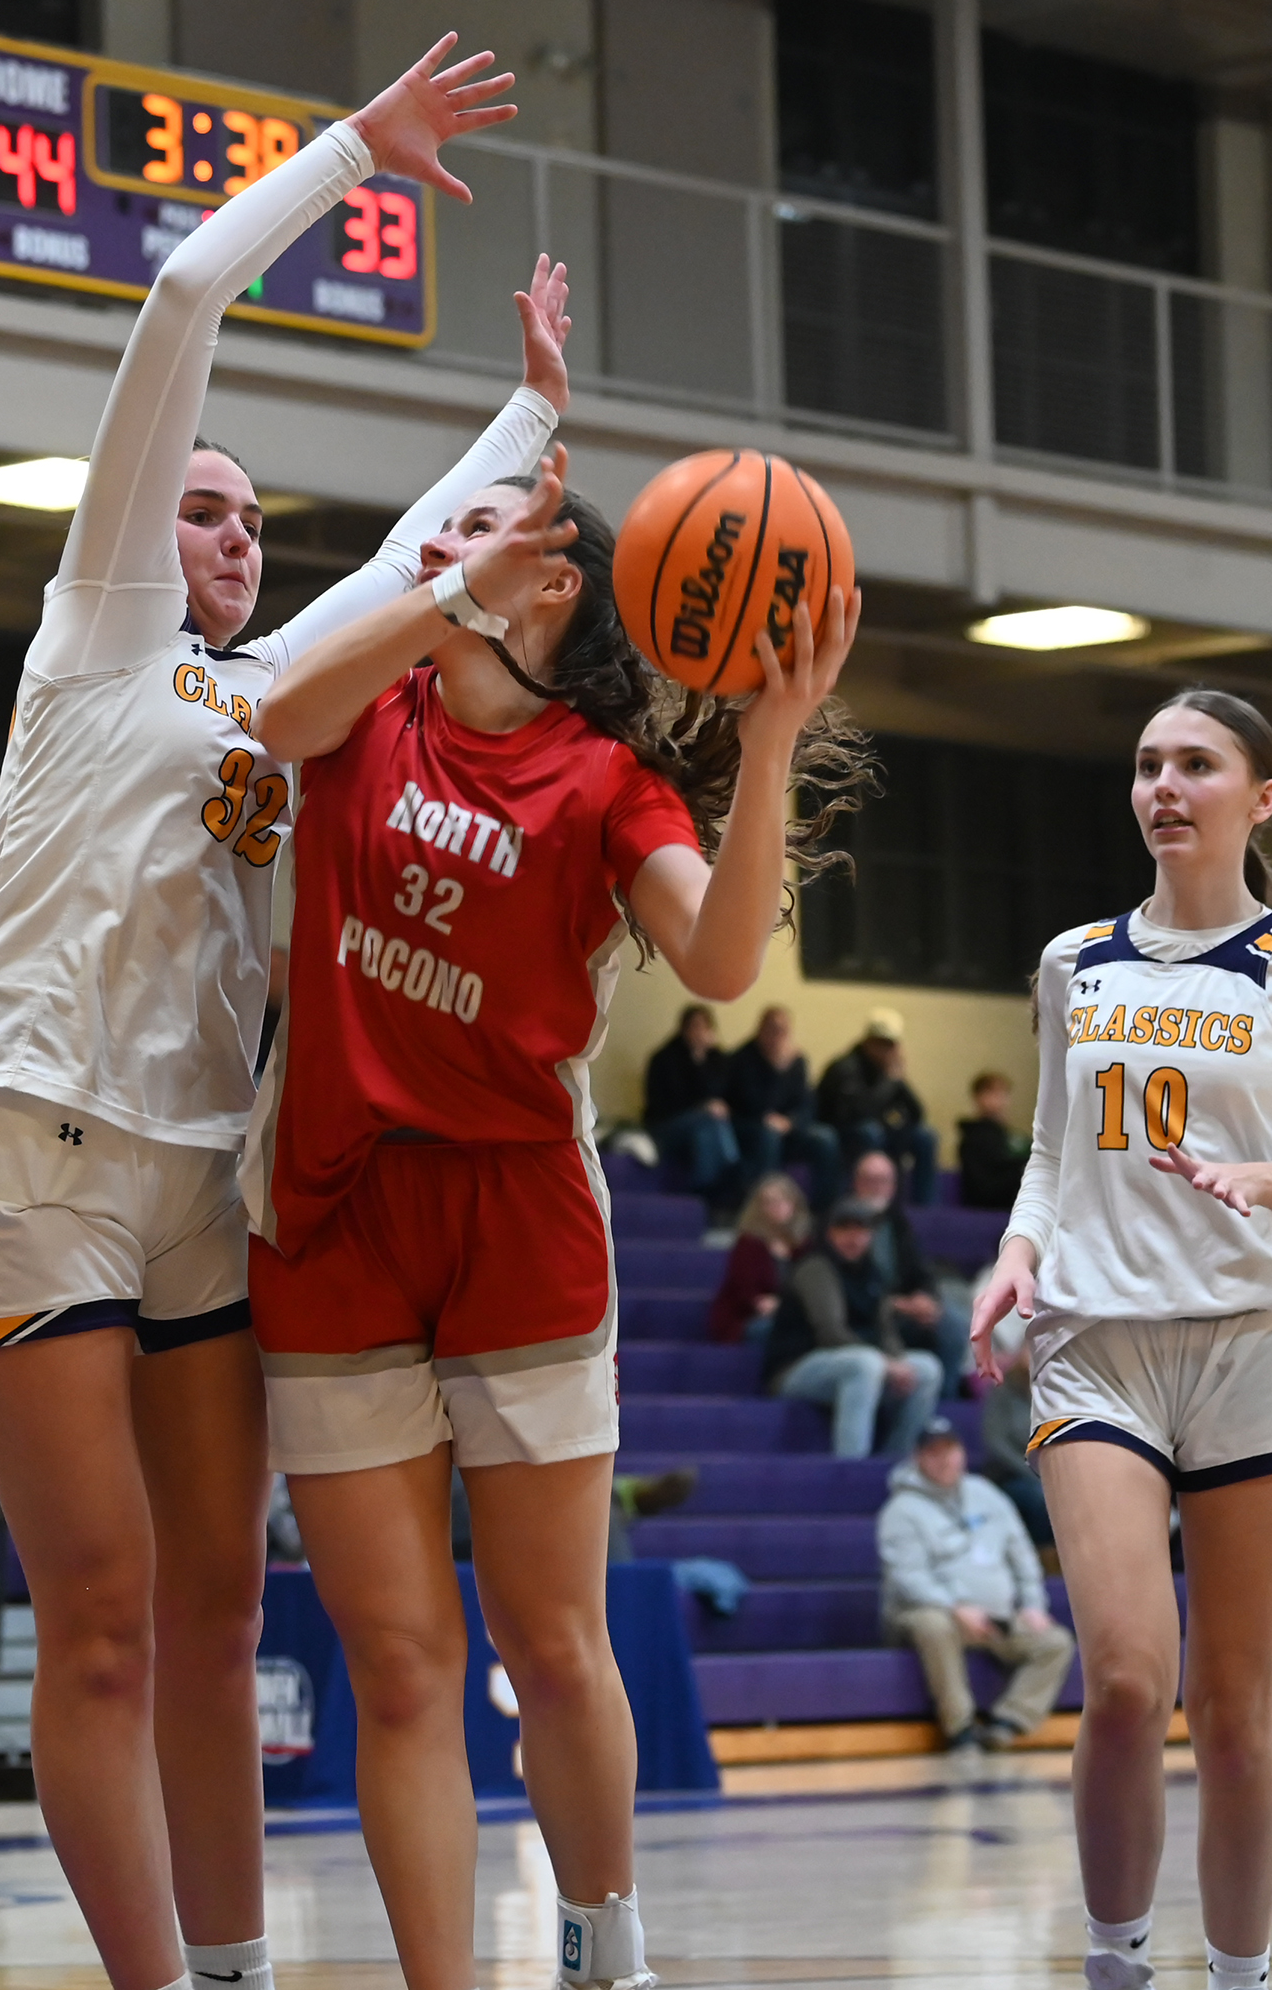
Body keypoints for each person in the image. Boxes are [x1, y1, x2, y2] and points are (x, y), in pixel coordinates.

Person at [0, 40, 542, 1990]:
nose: (228, 531)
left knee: (217, 1603)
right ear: (127, 531)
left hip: (199, 1184)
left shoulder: (264, 694)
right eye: (198, 506)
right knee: (94, 1613)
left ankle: (242, 1962)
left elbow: (419, 570)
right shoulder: (94, 638)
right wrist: (361, 147)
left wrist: (528, 409)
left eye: (250, 517)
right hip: (23, 1151)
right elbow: (180, 294)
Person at [244, 344, 867, 1988]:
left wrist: (776, 730)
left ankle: (606, 1942)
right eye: (479, 526)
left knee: (553, 1639)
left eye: (524, 533)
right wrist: (448, 591)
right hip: (333, 1216)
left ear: (570, 589)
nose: (488, 540)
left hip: (518, 1222)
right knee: (395, 1656)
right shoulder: (367, 704)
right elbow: (275, 707)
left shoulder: (608, 784)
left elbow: (728, 961)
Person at [970, 688, 1272, 1990]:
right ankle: (1115, 1962)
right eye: (1149, 764)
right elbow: (1055, 1151)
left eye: (1197, 764)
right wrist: (1015, 1249)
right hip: (1096, 1341)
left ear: (1259, 797)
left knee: (1233, 1710)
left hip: (1249, 1351)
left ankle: (1240, 1971)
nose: (1166, 784)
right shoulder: (1074, 958)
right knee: (1122, 1677)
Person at [878, 1417, 1074, 1752]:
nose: (944, 1459)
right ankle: (960, 1728)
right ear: (918, 1458)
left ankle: (1008, 1722)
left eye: (950, 1450)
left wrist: (1031, 1606)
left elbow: (1022, 1555)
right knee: (934, 1624)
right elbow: (908, 1577)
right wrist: (955, 1606)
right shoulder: (901, 1510)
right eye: (933, 1452)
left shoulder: (987, 1495)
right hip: (928, 1613)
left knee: (1055, 1642)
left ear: (962, 1453)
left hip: (994, 1617)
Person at [767, 1199, 941, 1460]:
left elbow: (884, 1329)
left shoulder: (872, 1273)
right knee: (866, 1364)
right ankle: (850, 1467)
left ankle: (897, 1461)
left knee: (926, 1369)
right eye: (844, 1229)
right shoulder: (815, 1268)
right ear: (830, 1233)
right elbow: (830, 1332)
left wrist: (897, 1361)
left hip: (853, 1362)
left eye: (860, 1230)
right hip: (796, 1367)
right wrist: (886, 1364)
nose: (853, 1237)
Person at [849, 1147, 969, 1396]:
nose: (876, 1188)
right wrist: (898, 1304)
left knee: (953, 1324)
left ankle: (943, 1407)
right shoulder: (842, 1225)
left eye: (883, 1181)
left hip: (902, 1311)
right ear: (857, 1183)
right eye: (870, 1181)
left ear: (893, 1187)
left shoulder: (898, 1224)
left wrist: (926, 1299)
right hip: (865, 1316)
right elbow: (846, 1288)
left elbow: (920, 1271)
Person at [725, 1006, 841, 1209]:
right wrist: (777, 1072)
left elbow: (807, 1103)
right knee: (769, 1136)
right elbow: (751, 1103)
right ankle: (762, 1207)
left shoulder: (797, 1060)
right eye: (772, 1029)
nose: (777, 1036)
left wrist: (792, 1122)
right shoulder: (743, 1058)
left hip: (786, 1127)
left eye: (783, 1031)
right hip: (749, 1125)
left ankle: (823, 1211)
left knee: (825, 1138)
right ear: (760, 1029)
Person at [817, 1009, 934, 1202]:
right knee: (870, 1131)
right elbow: (860, 1112)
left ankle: (924, 1208)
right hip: (843, 1128)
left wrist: (900, 1080)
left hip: (879, 1127)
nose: (887, 1049)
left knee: (925, 1136)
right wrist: (890, 1081)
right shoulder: (845, 1067)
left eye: (891, 1044)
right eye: (882, 1043)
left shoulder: (889, 1072)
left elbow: (917, 1113)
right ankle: (866, 1198)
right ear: (868, 1041)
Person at [639, 1005, 737, 1218]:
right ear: (683, 1029)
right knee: (709, 1120)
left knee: (704, 1135)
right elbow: (667, 1102)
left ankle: (700, 1195)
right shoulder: (665, 1058)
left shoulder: (716, 1059)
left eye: (704, 1027)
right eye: (695, 1026)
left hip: (703, 1127)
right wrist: (702, 1108)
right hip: (665, 1125)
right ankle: (729, 1161)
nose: (699, 1032)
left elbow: (723, 1094)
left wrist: (702, 1061)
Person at [979, 1316, 1054, 1546]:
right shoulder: (1003, 1392)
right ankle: (1045, 1554)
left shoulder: (1059, 1392)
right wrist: (1033, 1472)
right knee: (1040, 1496)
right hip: (1013, 1474)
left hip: (1056, 1470)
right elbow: (996, 1442)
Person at [707, 1172, 806, 1345]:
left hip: (791, 1314)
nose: (777, 1207)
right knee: (776, 1329)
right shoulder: (748, 1244)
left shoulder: (804, 1245)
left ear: (794, 1205)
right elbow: (744, 1291)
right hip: (748, 1317)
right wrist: (766, 1305)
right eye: (769, 1203)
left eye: (782, 1201)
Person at [956, 1069, 1029, 1210]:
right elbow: (981, 1187)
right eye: (993, 1093)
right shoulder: (973, 1139)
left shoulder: (1014, 1138)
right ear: (978, 1097)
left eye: (1003, 1094)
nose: (1000, 1099)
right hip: (990, 1206)